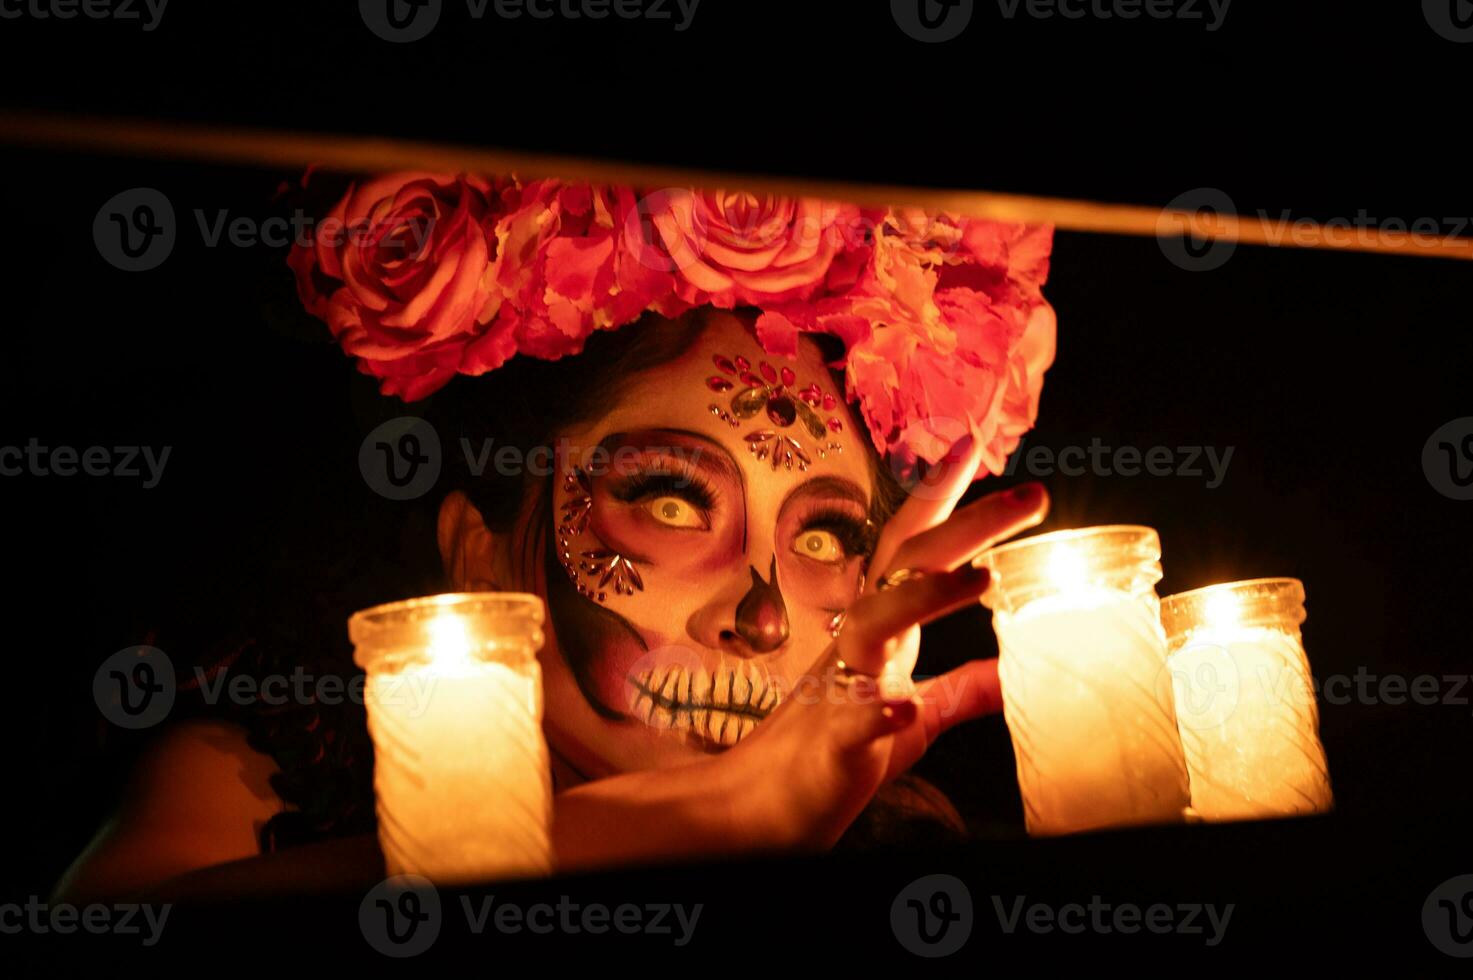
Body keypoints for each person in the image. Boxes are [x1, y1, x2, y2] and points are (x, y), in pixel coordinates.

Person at [54, 176, 1056, 902]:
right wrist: (723, 815)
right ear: (477, 551)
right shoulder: (266, 781)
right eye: (671, 501)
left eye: (829, 536)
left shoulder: (902, 846)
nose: (761, 613)